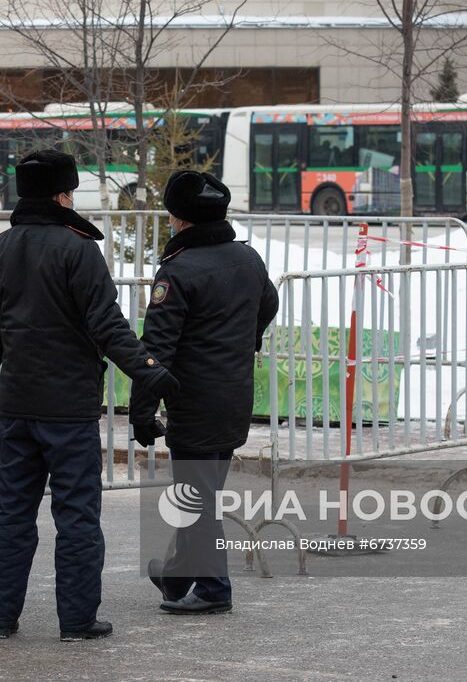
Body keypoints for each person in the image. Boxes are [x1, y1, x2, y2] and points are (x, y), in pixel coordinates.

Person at [0, 149, 180, 643]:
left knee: (11, 514)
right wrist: (149, 370)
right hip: (70, 411)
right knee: (77, 516)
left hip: (17, 407)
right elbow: (107, 326)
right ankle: (78, 620)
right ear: (62, 195)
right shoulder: (77, 249)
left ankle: (1, 618)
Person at [131, 170, 279, 615]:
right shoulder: (246, 259)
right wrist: (241, 342)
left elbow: (155, 351)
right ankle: (176, 577)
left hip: (194, 403)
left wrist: (141, 412)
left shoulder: (178, 272)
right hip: (234, 397)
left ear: (178, 219)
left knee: (195, 501)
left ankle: (214, 588)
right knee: (202, 493)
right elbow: (268, 304)